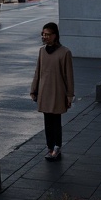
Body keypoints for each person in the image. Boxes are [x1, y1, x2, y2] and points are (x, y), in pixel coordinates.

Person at [30, 21, 74, 160]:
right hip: (44, 91)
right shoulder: (42, 51)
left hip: (57, 91)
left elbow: (69, 75)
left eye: (48, 34)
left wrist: (69, 95)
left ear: (55, 35)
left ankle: (57, 146)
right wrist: (34, 89)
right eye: (43, 34)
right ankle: (49, 147)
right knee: (47, 121)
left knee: (56, 121)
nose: (45, 37)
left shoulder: (65, 52)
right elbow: (38, 71)